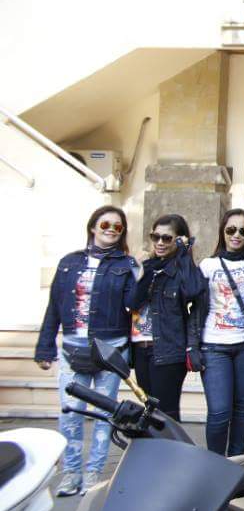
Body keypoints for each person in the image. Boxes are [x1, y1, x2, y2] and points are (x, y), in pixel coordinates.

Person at [35, 206, 138, 496]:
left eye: (117, 227)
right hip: (72, 348)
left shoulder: (127, 264)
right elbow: (54, 307)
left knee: (104, 415)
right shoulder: (69, 262)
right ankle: (71, 473)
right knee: (70, 413)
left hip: (110, 349)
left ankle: (93, 474)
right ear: (93, 227)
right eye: (105, 224)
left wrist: (139, 276)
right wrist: (44, 347)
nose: (111, 230)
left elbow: (133, 304)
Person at [191, 206, 244, 456]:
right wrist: (192, 346)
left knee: (242, 408)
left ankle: (236, 461)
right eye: (231, 230)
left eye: (243, 231)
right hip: (213, 346)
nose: (236, 235)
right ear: (223, 232)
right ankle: (215, 462)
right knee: (219, 412)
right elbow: (195, 306)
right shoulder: (208, 265)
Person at [129, 214, 203, 421]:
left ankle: (171, 444)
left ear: (179, 239)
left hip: (168, 350)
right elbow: (132, 303)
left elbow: (193, 290)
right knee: (149, 411)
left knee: (166, 414)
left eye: (167, 238)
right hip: (140, 349)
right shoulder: (147, 266)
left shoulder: (181, 270)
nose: (160, 242)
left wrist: (185, 253)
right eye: (156, 237)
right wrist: (143, 273)